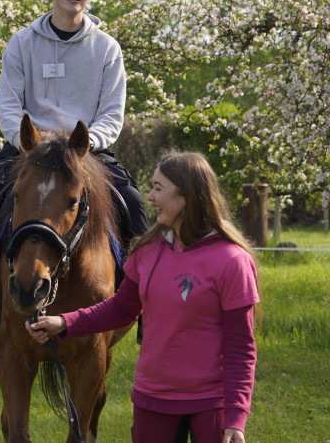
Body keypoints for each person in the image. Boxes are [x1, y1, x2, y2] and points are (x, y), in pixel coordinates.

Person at [0, 0, 149, 359]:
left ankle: (145, 311)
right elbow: (8, 106)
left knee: (135, 205)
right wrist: (30, 145)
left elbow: (112, 113)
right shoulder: (21, 43)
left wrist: (83, 147)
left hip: (83, 153)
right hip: (29, 151)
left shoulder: (107, 49)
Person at [26, 152, 259, 443]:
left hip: (211, 403)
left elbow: (241, 347)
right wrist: (64, 321)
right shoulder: (147, 251)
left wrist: (236, 418)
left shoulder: (232, 260)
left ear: (186, 196)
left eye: (158, 188)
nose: (149, 197)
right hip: (152, 399)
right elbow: (122, 309)